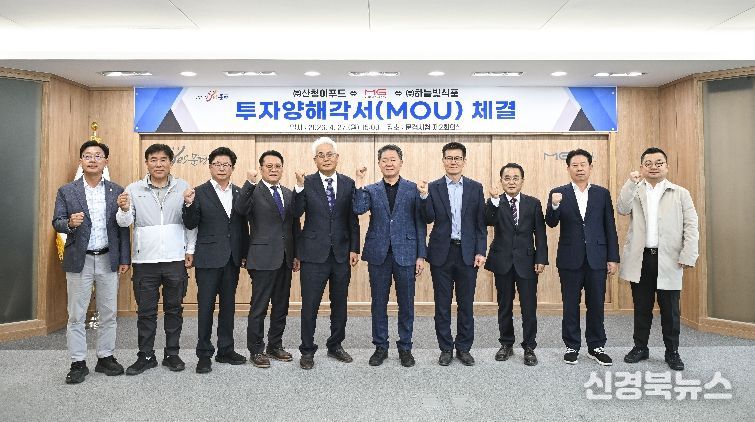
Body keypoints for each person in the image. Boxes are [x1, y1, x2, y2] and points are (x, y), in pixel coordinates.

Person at [52, 140, 130, 384]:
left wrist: (124, 258)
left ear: (106, 161)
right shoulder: (67, 191)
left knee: (108, 312)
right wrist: (69, 223)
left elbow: (123, 228)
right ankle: (78, 362)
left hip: (108, 258)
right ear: (81, 161)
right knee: (76, 314)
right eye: (87, 155)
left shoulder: (117, 191)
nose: (93, 159)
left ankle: (105, 357)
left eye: (98, 156)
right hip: (80, 259)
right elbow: (57, 222)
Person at [116, 144, 197, 375]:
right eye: (153, 159)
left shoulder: (183, 187)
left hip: (175, 259)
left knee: (174, 309)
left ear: (171, 162)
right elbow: (124, 223)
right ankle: (146, 355)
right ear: (147, 163)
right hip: (145, 261)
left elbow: (191, 223)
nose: (158, 164)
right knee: (146, 311)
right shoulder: (133, 189)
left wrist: (190, 249)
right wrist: (123, 209)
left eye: (163, 159)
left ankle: (172, 354)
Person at [617, 147, 698, 371]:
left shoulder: (680, 193)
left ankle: (672, 352)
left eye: (659, 163)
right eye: (648, 163)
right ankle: (640, 348)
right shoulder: (635, 189)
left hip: (670, 259)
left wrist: (688, 254)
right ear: (641, 167)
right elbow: (622, 208)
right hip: (641, 258)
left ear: (666, 166)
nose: (654, 167)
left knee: (670, 310)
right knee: (641, 307)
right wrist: (630, 183)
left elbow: (691, 225)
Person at [353, 144, 427, 368]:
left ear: (401, 162)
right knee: (379, 303)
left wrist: (421, 255)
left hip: (406, 253)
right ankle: (380, 347)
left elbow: (421, 222)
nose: (389, 163)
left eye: (393, 159)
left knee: (406, 304)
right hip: (379, 254)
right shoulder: (371, 189)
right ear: (379, 164)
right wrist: (359, 181)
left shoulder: (413, 189)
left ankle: (405, 348)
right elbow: (358, 208)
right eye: (384, 160)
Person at [545, 148, 619, 366]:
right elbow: (551, 222)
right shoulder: (558, 193)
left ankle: (596, 346)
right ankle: (572, 346)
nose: (579, 169)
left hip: (597, 257)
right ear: (568, 168)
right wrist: (555, 205)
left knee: (596, 304)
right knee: (570, 304)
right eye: (575, 165)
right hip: (570, 258)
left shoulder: (602, 194)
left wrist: (612, 257)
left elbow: (610, 226)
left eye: (583, 165)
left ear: (590, 167)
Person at [293, 137, 360, 370]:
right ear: (315, 160)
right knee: (310, 305)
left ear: (337, 157)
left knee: (339, 304)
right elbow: (296, 212)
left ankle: (335, 345)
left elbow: (352, 219)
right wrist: (299, 187)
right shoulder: (306, 182)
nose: (326, 158)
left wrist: (354, 248)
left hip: (341, 254)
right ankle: (307, 350)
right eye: (321, 155)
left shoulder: (348, 183)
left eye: (329, 154)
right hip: (313, 254)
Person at [182, 147, 250, 373]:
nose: (222, 168)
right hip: (208, 259)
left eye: (226, 165)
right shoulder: (198, 192)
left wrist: (244, 253)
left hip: (232, 259)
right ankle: (203, 354)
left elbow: (242, 227)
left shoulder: (239, 192)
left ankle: (225, 350)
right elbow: (191, 224)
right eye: (217, 164)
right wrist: (188, 205)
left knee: (228, 307)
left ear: (232, 168)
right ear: (210, 167)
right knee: (206, 307)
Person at [418, 142, 486, 367]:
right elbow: (428, 218)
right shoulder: (433, 187)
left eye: (457, 158)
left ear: (464, 161)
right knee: (442, 304)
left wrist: (480, 250)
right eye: (449, 158)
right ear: (443, 161)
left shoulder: (476, 188)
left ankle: (464, 348)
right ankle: (446, 348)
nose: (453, 162)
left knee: (466, 304)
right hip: (441, 253)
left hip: (468, 254)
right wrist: (424, 197)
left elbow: (480, 224)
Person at [234, 150, 300, 369]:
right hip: (262, 257)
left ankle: (275, 345)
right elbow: (240, 210)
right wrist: (249, 183)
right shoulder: (253, 191)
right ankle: (256, 349)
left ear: (282, 169)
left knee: (281, 305)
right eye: (269, 166)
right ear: (261, 169)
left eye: (277, 166)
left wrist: (296, 254)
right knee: (259, 307)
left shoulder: (289, 193)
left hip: (285, 258)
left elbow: (294, 225)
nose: (273, 170)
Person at [485, 163, 548, 366]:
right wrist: (494, 200)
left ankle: (529, 347)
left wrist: (541, 259)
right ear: (501, 181)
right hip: (502, 261)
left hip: (527, 262)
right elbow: (487, 220)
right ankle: (506, 344)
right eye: (507, 178)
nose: (511, 182)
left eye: (515, 178)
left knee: (529, 307)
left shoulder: (533, 203)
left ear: (522, 181)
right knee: (504, 305)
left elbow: (540, 234)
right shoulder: (495, 202)